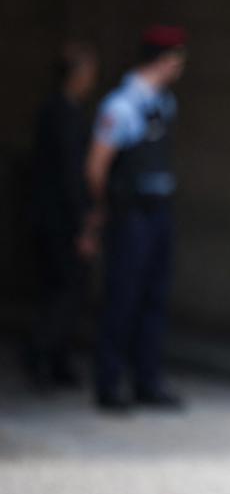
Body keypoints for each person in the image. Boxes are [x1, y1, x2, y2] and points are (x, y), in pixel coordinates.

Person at [84, 25, 188, 412]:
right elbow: (97, 166)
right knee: (122, 298)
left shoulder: (164, 103)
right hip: (130, 213)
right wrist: (104, 208)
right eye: (177, 58)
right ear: (165, 60)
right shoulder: (121, 106)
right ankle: (109, 383)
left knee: (154, 297)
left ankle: (147, 379)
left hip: (159, 209)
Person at [24, 42, 100, 390]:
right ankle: (42, 357)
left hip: (47, 217)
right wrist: (84, 221)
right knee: (64, 293)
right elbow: (70, 174)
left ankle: (55, 360)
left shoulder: (51, 110)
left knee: (55, 291)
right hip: (60, 220)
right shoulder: (65, 115)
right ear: (78, 76)